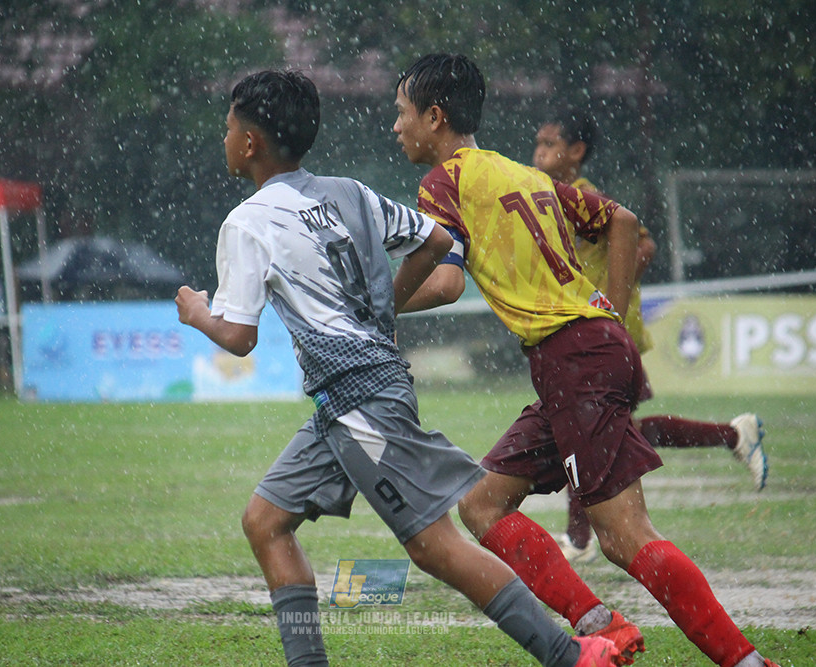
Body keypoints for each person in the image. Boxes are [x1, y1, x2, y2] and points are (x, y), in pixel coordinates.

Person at [175, 69, 620, 667]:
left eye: (229, 128)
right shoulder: (350, 192)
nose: (225, 138)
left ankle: (571, 655)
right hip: (349, 399)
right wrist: (382, 306)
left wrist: (198, 313)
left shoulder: (247, 221)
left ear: (250, 143)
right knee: (265, 521)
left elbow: (238, 336)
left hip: (357, 400)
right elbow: (434, 243)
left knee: (435, 547)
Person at [392, 53, 781, 667]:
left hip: (573, 359)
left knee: (626, 538)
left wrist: (374, 306)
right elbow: (622, 222)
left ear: (434, 117)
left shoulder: (445, 183)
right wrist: (612, 313)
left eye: (401, 112)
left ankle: (745, 661)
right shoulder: (524, 174)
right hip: (582, 356)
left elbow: (442, 281)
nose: (396, 126)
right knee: (481, 503)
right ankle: (604, 625)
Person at [533, 108, 769, 563]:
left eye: (548, 144)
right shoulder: (548, 196)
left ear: (576, 152)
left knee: (586, 432)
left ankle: (579, 540)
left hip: (601, 337)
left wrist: (610, 306)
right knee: (599, 433)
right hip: (586, 337)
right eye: (538, 144)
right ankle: (733, 436)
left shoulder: (582, 197)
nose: (539, 153)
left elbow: (642, 243)